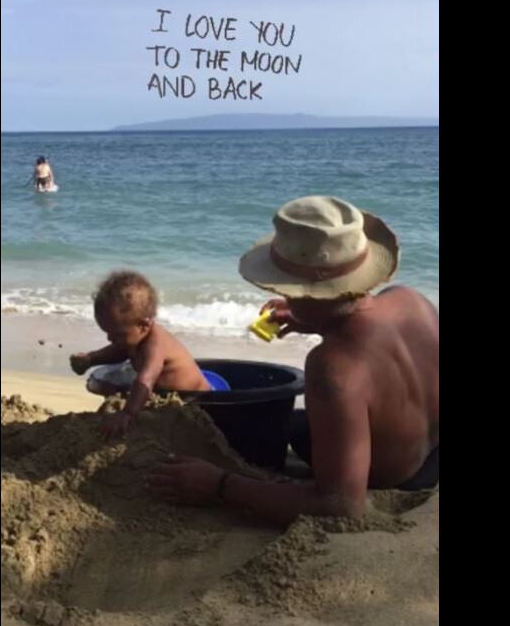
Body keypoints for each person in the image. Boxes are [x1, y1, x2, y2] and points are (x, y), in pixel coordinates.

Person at [147, 196, 439, 526]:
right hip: (431, 453)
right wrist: (315, 321)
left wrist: (218, 485)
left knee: (289, 429)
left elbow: (340, 505)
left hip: (398, 476)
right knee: (300, 423)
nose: (284, 296)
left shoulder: (332, 367)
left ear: (306, 292)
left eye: (287, 289)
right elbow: (372, 345)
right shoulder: (410, 301)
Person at [70, 271, 212, 437]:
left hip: (197, 400)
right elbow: (118, 351)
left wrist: (128, 413)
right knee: (109, 385)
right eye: (107, 333)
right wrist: (91, 359)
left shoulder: (155, 343)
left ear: (143, 326)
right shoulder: (133, 337)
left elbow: (146, 379)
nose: (109, 338)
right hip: (163, 394)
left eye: (116, 334)